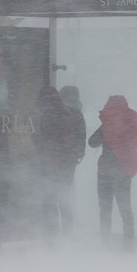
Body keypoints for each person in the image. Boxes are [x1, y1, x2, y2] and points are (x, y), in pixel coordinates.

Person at [88, 95, 137, 251]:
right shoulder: (132, 120)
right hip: (123, 171)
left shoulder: (109, 122)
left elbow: (92, 142)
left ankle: (105, 243)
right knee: (125, 208)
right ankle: (128, 243)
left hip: (105, 171)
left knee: (105, 208)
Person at [33, 86, 76, 239]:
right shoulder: (65, 113)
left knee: (50, 200)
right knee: (63, 200)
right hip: (64, 165)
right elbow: (69, 141)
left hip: (53, 165)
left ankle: (53, 236)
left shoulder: (50, 115)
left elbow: (47, 142)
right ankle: (66, 234)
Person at [59, 85, 87, 222]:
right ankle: (68, 226)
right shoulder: (77, 113)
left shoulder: (58, 112)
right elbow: (81, 137)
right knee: (65, 192)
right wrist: (77, 155)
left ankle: (56, 231)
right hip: (69, 160)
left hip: (57, 158)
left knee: (56, 193)